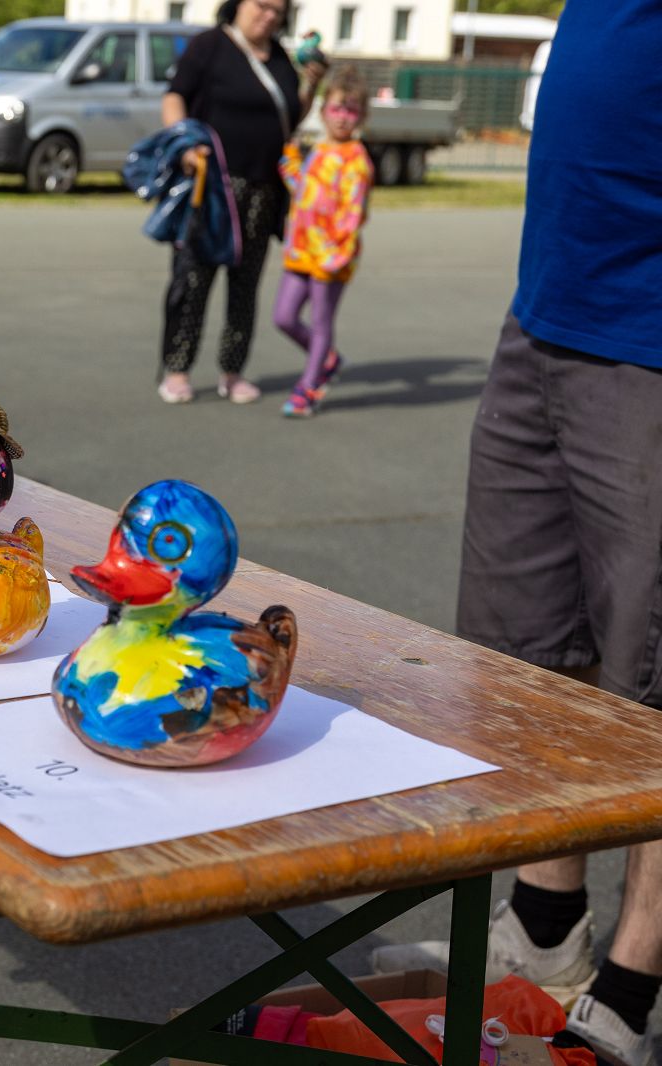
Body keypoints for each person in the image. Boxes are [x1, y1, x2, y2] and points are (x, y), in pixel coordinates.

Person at [371, 5, 662, 1065]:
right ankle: (544, 932)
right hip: (547, 310)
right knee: (532, 660)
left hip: (650, 338)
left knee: (652, 681)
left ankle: (632, 990)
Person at [156, 0, 323, 405]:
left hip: (263, 190)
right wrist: (184, 144)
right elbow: (175, 97)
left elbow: (288, 117)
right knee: (193, 279)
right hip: (212, 186)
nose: (269, 15)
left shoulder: (280, 57)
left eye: (278, 11)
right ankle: (177, 370)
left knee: (245, 286)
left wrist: (311, 86)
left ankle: (233, 372)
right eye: (261, 5)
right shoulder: (209, 46)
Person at [271, 64, 371, 419]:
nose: (342, 117)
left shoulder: (356, 160)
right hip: (301, 249)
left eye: (351, 111)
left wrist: (337, 253)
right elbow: (304, 190)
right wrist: (290, 164)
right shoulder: (319, 150)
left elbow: (353, 213)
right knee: (284, 317)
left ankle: (308, 388)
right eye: (337, 108)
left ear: (361, 116)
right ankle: (327, 359)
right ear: (324, 110)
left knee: (321, 322)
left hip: (331, 257)